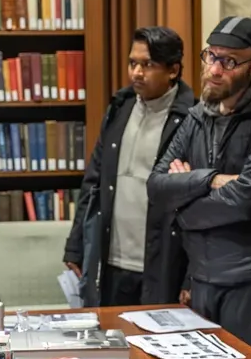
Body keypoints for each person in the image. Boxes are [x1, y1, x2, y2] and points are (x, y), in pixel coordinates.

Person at [147, 16, 251, 359]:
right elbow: (157, 187)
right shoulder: (198, 116)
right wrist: (209, 180)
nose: (214, 69)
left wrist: (183, 206)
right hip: (202, 278)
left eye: (229, 61)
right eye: (210, 56)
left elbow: (243, 202)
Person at [63, 26, 195, 306]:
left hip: (161, 264)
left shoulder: (192, 119)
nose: (136, 72)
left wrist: (191, 277)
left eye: (147, 65)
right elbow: (93, 182)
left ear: (173, 70)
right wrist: (75, 246)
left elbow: (197, 205)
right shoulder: (119, 107)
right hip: (110, 261)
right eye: (132, 63)